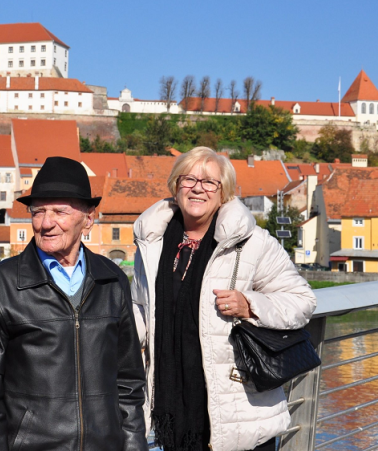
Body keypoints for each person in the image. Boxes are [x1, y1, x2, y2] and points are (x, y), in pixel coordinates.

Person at [131, 147, 317, 451]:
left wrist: (250, 305)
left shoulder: (252, 242)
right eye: (189, 179)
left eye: (209, 182)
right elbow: (141, 310)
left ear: (224, 193)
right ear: (176, 186)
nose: (197, 188)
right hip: (172, 408)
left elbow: (302, 300)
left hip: (239, 410)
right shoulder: (152, 245)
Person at [0, 156, 147, 451]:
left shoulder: (112, 282)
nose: (46, 223)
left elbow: (129, 383)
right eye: (38, 211)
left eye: (60, 211)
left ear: (88, 218)